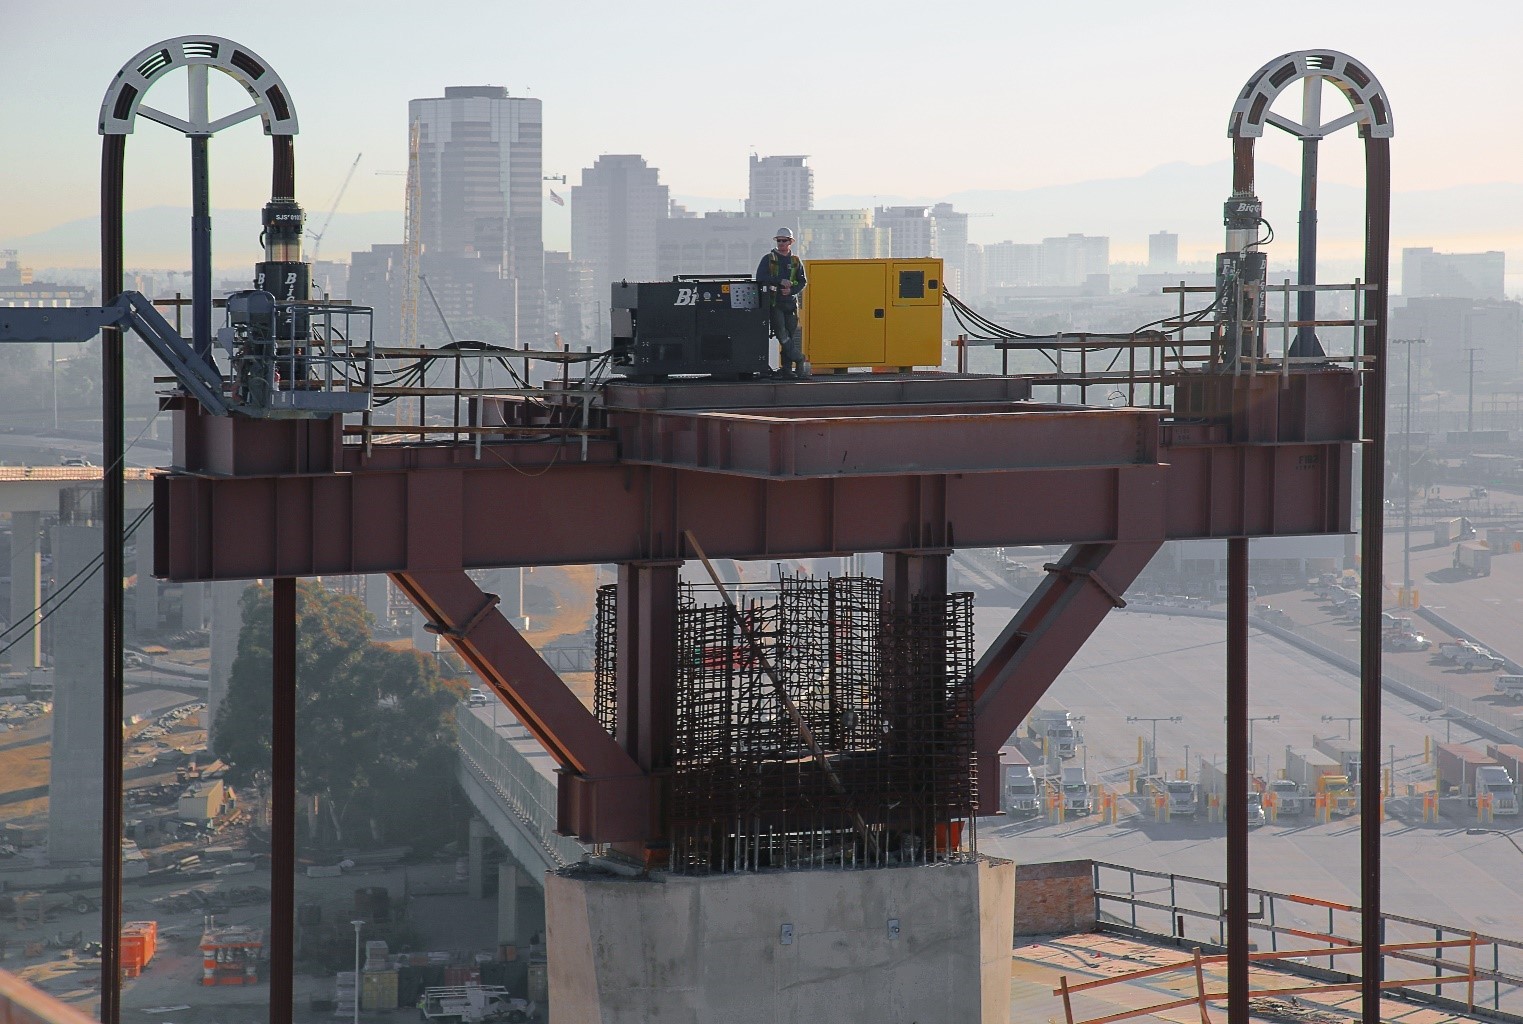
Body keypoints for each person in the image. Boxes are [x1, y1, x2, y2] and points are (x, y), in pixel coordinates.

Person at [756, 227, 808, 377]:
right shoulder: (769, 259)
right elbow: (760, 277)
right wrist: (780, 281)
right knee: (782, 335)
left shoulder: (796, 261)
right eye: (779, 240)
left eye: (784, 240)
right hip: (775, 303)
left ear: (790, 242)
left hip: (790, 304)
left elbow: (802, 281)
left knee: (789, 337)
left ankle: (786, 369)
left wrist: (791, 290)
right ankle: (799, 359)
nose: (781, 243)